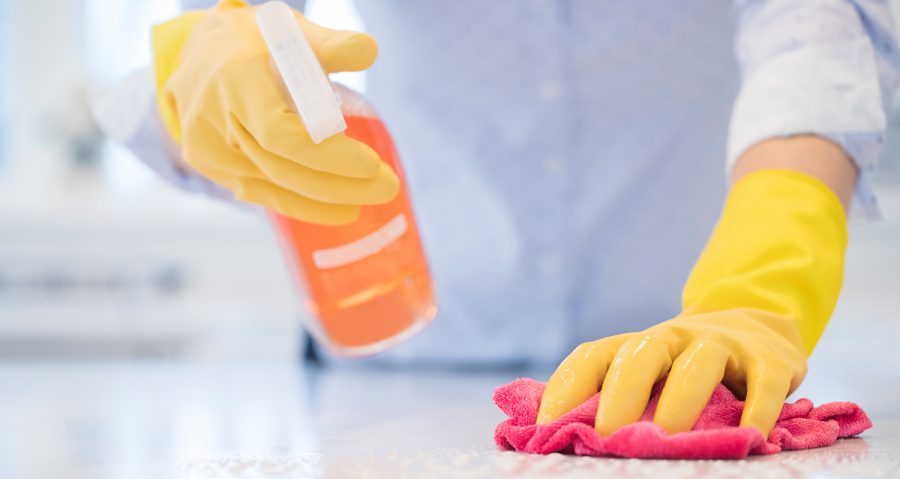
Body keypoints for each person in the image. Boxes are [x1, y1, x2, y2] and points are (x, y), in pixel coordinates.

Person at [95, 0, 900, 438]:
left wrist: (757, 288)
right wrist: (201, 70)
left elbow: (815, 47)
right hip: (386, 387)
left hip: (681, 385)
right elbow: (222, 45)